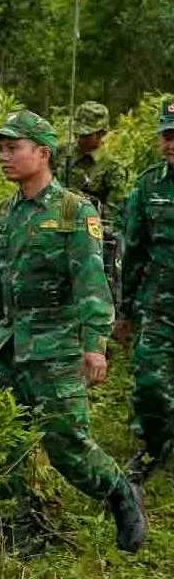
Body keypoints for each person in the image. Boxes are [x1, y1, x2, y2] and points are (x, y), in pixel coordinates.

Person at [0, 110, 145, 555]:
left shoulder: (73, 210)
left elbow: (90, 281)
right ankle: (24, 532)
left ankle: (120, 492)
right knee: (5, 442)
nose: (4, 157)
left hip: (56, 345)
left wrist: (94, 345)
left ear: (42, 153)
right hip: (10, 345)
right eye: (1, 149)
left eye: (13, 148)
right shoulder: (3, 215)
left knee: (66, 444)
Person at [118, 98, 174, 485]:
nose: (171, 143)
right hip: (160, 302)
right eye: (166, 136)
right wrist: (123, 312)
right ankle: (154, 444)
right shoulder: (148, 185)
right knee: (151, 382)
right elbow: (133, 251)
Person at [58, 101, 129, 283]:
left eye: (87, 134)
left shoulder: (112, 169)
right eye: (78, 132)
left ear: (102, 134)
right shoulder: (60, 155)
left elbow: (114, 217)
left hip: (88, 241)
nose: (80, 138)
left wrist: (83, 202)